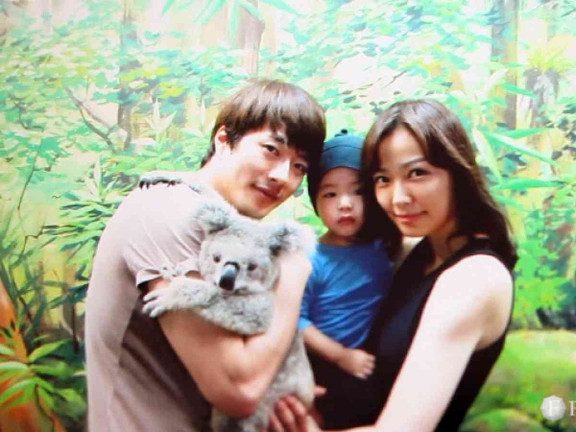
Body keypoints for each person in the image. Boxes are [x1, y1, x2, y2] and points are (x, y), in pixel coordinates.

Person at [84, 80, 326, 432]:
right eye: (271, 149)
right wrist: (293, 272)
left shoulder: (227, 229)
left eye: (299, 167)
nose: (282, 177)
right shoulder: (173, 211)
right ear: (223, 140)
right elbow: (239, 389)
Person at [270, 99, 516, 432]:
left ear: (458, 172)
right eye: (383, 179)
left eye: (417, 173)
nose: (398, 198)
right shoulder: (418, 251)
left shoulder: (473, 277)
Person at [298, 129, 394, 429]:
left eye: (358, 191)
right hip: (324, 362)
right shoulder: (311, 257)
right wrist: (340, 356)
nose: (345, 204)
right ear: (315, 201)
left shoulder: (384, 246)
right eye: (330, 194)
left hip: (369, 360)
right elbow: (298, 321)